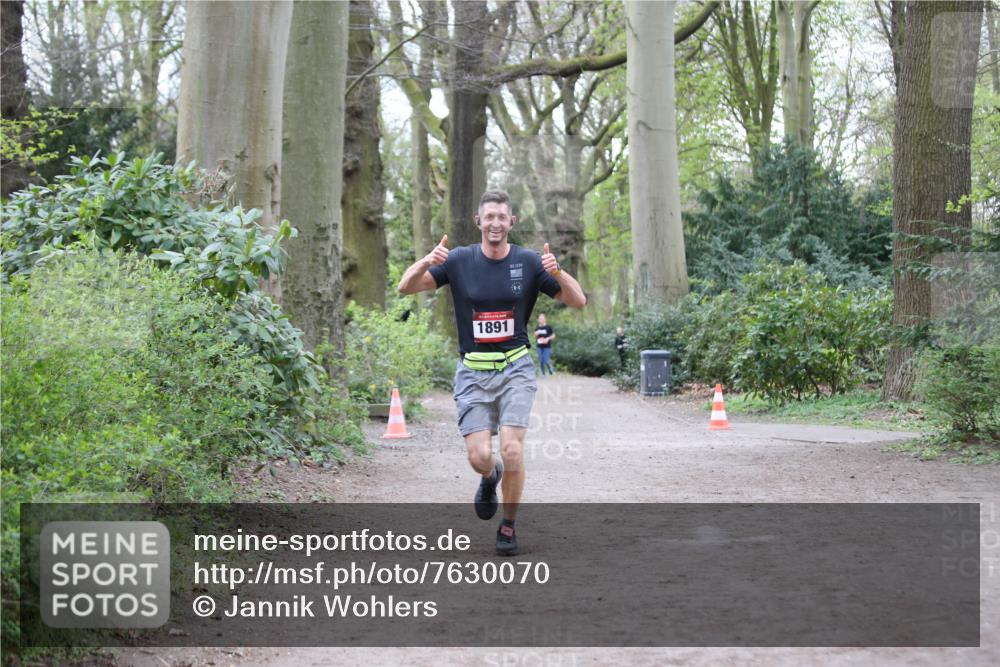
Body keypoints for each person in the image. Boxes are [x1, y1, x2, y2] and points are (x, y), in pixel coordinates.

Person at [397, 189, 586, 556]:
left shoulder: (530, 262)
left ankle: (509, 526)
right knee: (479, 456)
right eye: (490, 217)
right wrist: (426, 260)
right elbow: (405, 287)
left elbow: (578, 301)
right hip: (473, 373)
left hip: (516, 368)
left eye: (503, 217)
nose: (496, 223)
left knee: (512, 449)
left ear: (511, 222)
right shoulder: (459, 260)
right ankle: (489, 475)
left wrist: (558, 271)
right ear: (478, 222)